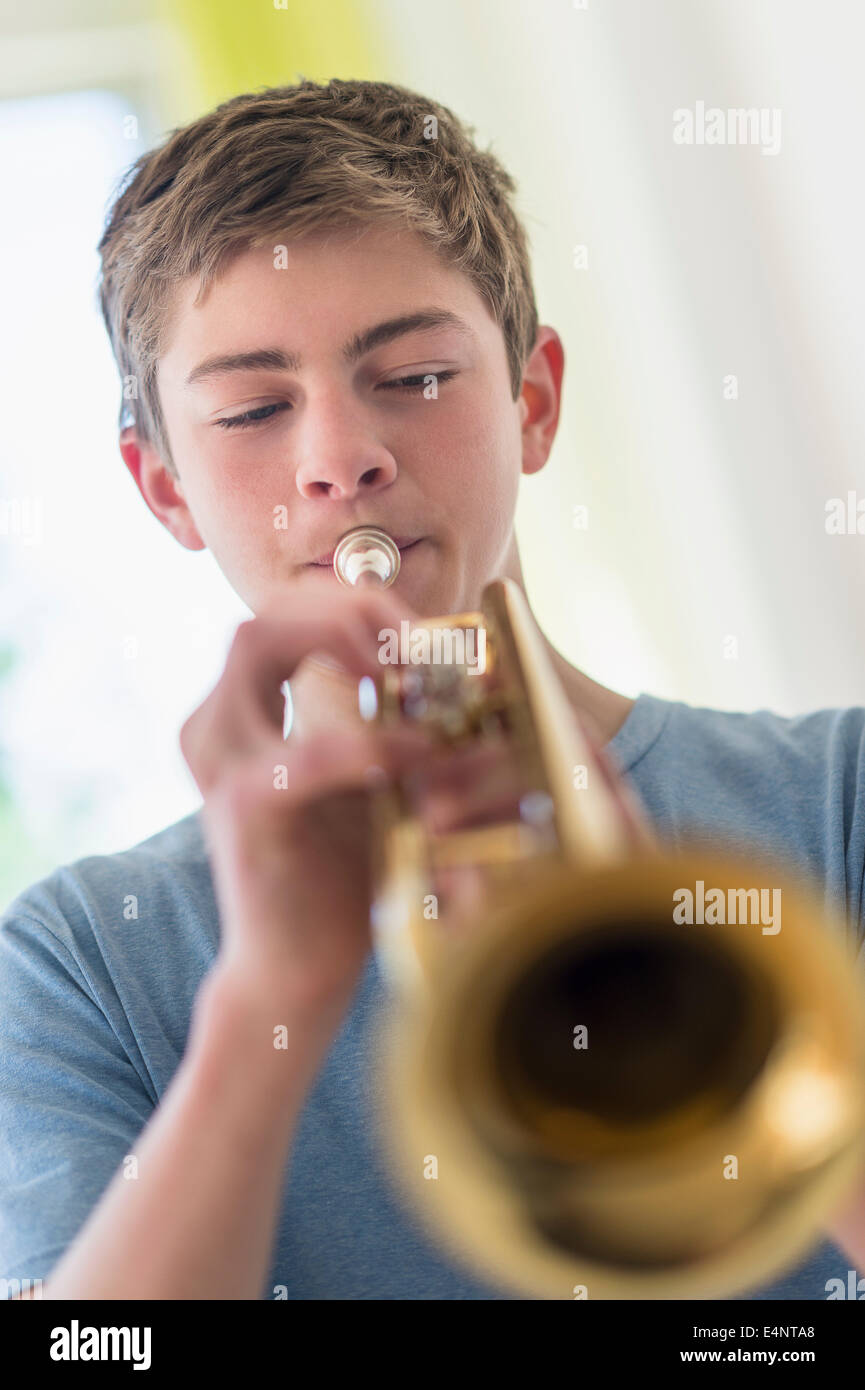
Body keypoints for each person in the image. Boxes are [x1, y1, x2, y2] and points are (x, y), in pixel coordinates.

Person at [1, 78, 863, 1302]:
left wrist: (674, 989)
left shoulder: (838, 798)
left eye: (410, 375)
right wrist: (261, 1009)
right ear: (167, 492)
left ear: (535, 400)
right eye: (252, 408)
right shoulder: (80, 961)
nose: (341, 458)